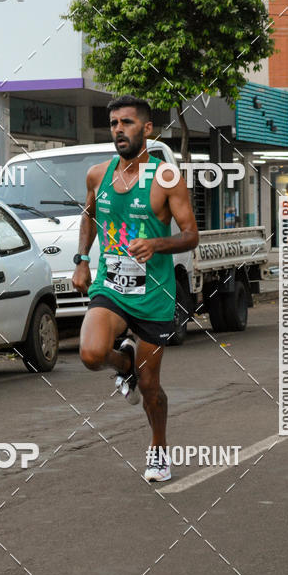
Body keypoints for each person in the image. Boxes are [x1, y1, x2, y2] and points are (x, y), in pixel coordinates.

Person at [72, 95, 198, 482]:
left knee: (150, 386)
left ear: (147, 129)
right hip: (111, 285)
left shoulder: (166, 179)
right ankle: (122, 363)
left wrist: (157, 244)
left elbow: (191, 235)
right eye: (113, 123)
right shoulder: (98, 174)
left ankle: (158, 448)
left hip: (155, 294)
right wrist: (81, 260)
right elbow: (90, 216)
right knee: (91, 353)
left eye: (127, 123)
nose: (118, 130)